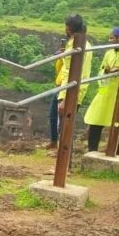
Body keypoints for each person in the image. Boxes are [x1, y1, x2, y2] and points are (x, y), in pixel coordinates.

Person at [46, 15, 93, 173]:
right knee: (61, 125)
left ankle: (63, 167)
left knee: (64, 128)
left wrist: (64, 97)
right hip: (68, 88)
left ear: (69, 28)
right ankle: (63, 162)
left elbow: (71, 72)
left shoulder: (77, 46)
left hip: (70, 90)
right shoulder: (81, 43)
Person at [84, 27, 119, 153]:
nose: (109, 41)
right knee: (95, 119)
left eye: (111, 38)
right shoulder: (109, 53)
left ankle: (115, 151)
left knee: (116, 122)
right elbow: (102, 69)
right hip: (104, 91)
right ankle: (92, 151)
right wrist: (107, 71)